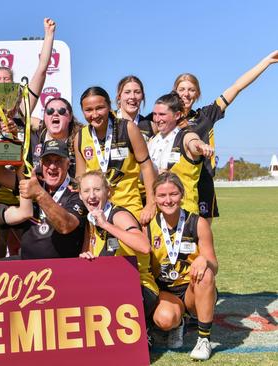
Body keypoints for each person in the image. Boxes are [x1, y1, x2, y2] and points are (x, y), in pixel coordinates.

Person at [172, 50, 278, 220]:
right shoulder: (162, 118)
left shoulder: (205, 115)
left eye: (191, 90)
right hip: (172, 184)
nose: (186, 93)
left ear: (197, 94)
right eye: (182, 89)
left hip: (202, 183)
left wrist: (266, 62)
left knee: (202, 239)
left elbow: (237, 87)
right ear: (174, 92)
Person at [146, 172, 217, 360]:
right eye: (162, 195)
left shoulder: (198, 223)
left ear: (182, 194)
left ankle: (204, 339)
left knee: (207, 274)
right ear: (154, 198)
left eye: (173, 194)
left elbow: (214, 264)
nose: (168, 200)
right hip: (166, 291)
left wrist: (205, 260)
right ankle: (179, 322)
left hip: (192, 289)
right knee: (165, 319)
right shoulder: (148, 226)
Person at [78, 171, 159, 331]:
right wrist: (86, 257)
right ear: (80, 195)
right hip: (112, 285)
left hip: (140, 287)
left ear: (108, 192)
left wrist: (107, 225)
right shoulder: (91, 219)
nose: (92, 196)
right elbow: (90, 254)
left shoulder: (118, 215)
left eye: (97, 190)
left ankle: (145, 331)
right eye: (86, 191)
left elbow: (144, 246)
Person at [74, 86, 157, 224]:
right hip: (97, 210)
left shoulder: (128, 128)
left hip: (129, 207)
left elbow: (147, 167)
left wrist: (150, 204)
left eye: (100, 108)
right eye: (88, 110)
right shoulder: (80, 137)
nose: (94, 114)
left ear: (109, 106)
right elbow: (80, 177)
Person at [18, 140, 87, 259]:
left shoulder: (78, 191)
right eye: (47, 161)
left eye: (58, 161)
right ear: (41, 163)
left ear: (68, 163)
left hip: (61, 270)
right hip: (27, 271)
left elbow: (66, 225)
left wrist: (39, 194)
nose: (52, 166)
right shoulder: (34, 183)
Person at [149, 92, 214, 214]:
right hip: (158, 215)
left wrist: (200, 146)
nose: (157, 119)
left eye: (162, 114)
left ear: (177, 115)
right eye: (155, 114)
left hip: (185, 214)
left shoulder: (185, 136)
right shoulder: (153, 140)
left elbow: (193, 142)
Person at [29, 97, 82, 178]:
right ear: (44, 117)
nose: (55, 114)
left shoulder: (80, 141)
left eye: (61, 111)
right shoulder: (32, 138)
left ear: (70, 116)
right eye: (50, 111)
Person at [115, 75, 154, 140]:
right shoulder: (109, 119)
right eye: (127, 92)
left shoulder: (149, 126)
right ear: (119, 96)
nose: (132, 96)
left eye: (137, 92)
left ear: (143, 96)